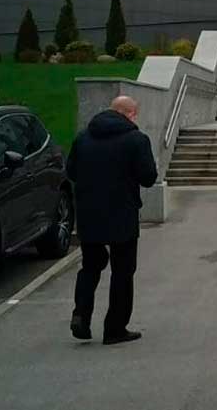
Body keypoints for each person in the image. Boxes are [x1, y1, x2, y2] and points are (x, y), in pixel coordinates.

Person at [68, 95, 159, 346]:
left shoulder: (83, 137)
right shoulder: (136, 139)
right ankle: (115, 328)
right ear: (130, 114)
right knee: (123, 271)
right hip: (122, 214)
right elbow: (148, 177)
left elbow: (71, 172)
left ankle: (81, 316)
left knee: (90, 266)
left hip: (89, 214)